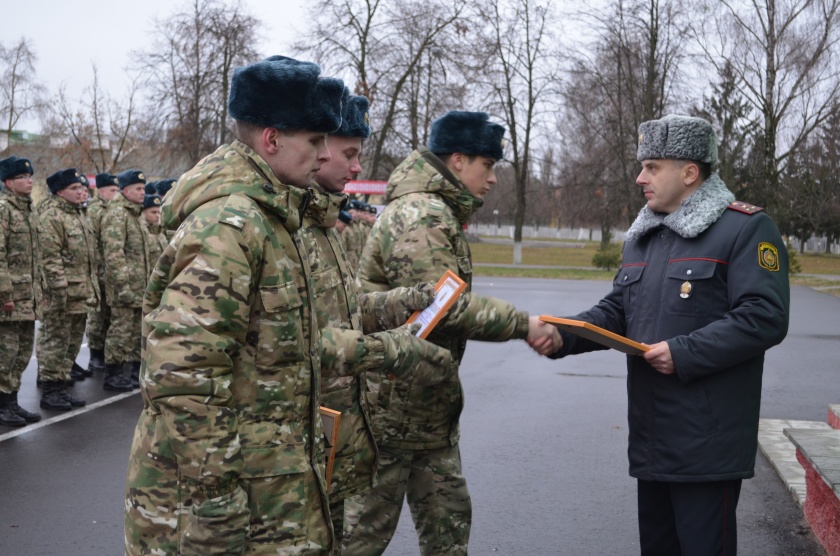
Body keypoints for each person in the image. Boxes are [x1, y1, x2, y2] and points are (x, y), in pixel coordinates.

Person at [124, 55, 452, 555]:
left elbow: (292, 342)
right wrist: (216, 500)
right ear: (272, 140)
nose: (323, 155)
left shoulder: (276, 215)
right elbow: (183, 376)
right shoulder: (230, 226)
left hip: (266, 482)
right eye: (315, 141)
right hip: (207, 503)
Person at [546, 114, 790, 555]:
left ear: (690, 172)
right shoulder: (646, 234)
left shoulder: (745, 228)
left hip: (707, 442)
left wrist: (684, 352)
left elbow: (764, 315)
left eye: (652, 166)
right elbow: (619, 309)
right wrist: (564, 337)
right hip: (652, 436)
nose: (640, 177)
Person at [344, 110, 562, 555]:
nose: (494, 179)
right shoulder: (422, 216)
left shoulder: (435, 210)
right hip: (390, 410)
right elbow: (443, 308)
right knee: (362, 535)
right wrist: (525, 324)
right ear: (458, 161)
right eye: (488, 165)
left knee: (448, 526)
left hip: (425, 404)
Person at [36, 168, 100, 411]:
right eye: (75, 188)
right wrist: (58, 292)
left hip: (81, 292)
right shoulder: (52, 215)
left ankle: (60, 385)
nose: (81, 191)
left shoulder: (78, 214)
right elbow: (50, 259)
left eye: (82, 187)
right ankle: (51, 390)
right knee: (56, 341)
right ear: (59, 192)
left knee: (71, 342)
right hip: (61, 293)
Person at [0, 156, 41, 426]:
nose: (29, 180)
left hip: (28, 295)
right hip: (10, 297)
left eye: (30, 176)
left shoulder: (28, 209)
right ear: (8, 182)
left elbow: (35, 257)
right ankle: (2, 404)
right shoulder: (4, 209)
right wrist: (5, 295)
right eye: (23, 177)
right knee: (6, 352)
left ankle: (11, 402)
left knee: (23, 351)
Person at [100, 169, 148, 391]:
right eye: (138, 189)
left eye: (144, 188)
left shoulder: (135, 213)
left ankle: (128, 371)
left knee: (135, 331)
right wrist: (123, 287)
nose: (143, 192)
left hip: (139, 285)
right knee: (120, 330)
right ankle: (114, 373)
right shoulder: (118, 214)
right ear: (126, 190)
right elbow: (114, 253)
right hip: (124, 286)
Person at [85, 172, 121, 375]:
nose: (115, 194)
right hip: (99, 271)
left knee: (109, 315)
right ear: (101, 191)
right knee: (98, 316)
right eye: (112, 190)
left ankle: (105, 354)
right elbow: (94, 244)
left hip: (110, 271)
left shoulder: (114, 210)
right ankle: (95, 355)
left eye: (117, 190)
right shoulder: (95, 211)